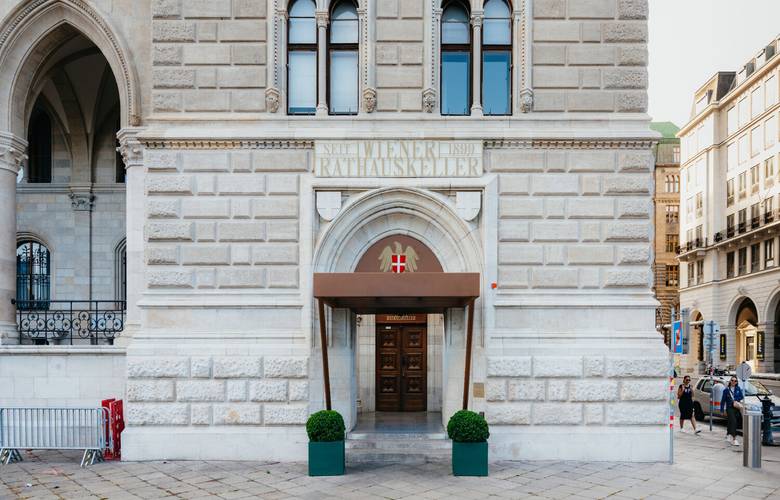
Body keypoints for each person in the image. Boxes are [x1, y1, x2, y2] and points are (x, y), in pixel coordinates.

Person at [720, 376, 744, 446]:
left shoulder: (738, 388)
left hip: (736, 407)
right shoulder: (726, 390)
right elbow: (723, 401)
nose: (733, 382)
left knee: (730, 422)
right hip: (729, 408)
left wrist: (735, 399)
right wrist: (722, 410)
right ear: (730, 381)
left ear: (736, 382)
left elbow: (741, 396)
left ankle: (728, 434)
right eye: (732, 380)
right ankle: (734, 439)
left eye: (735, 381)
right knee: (733, 421)